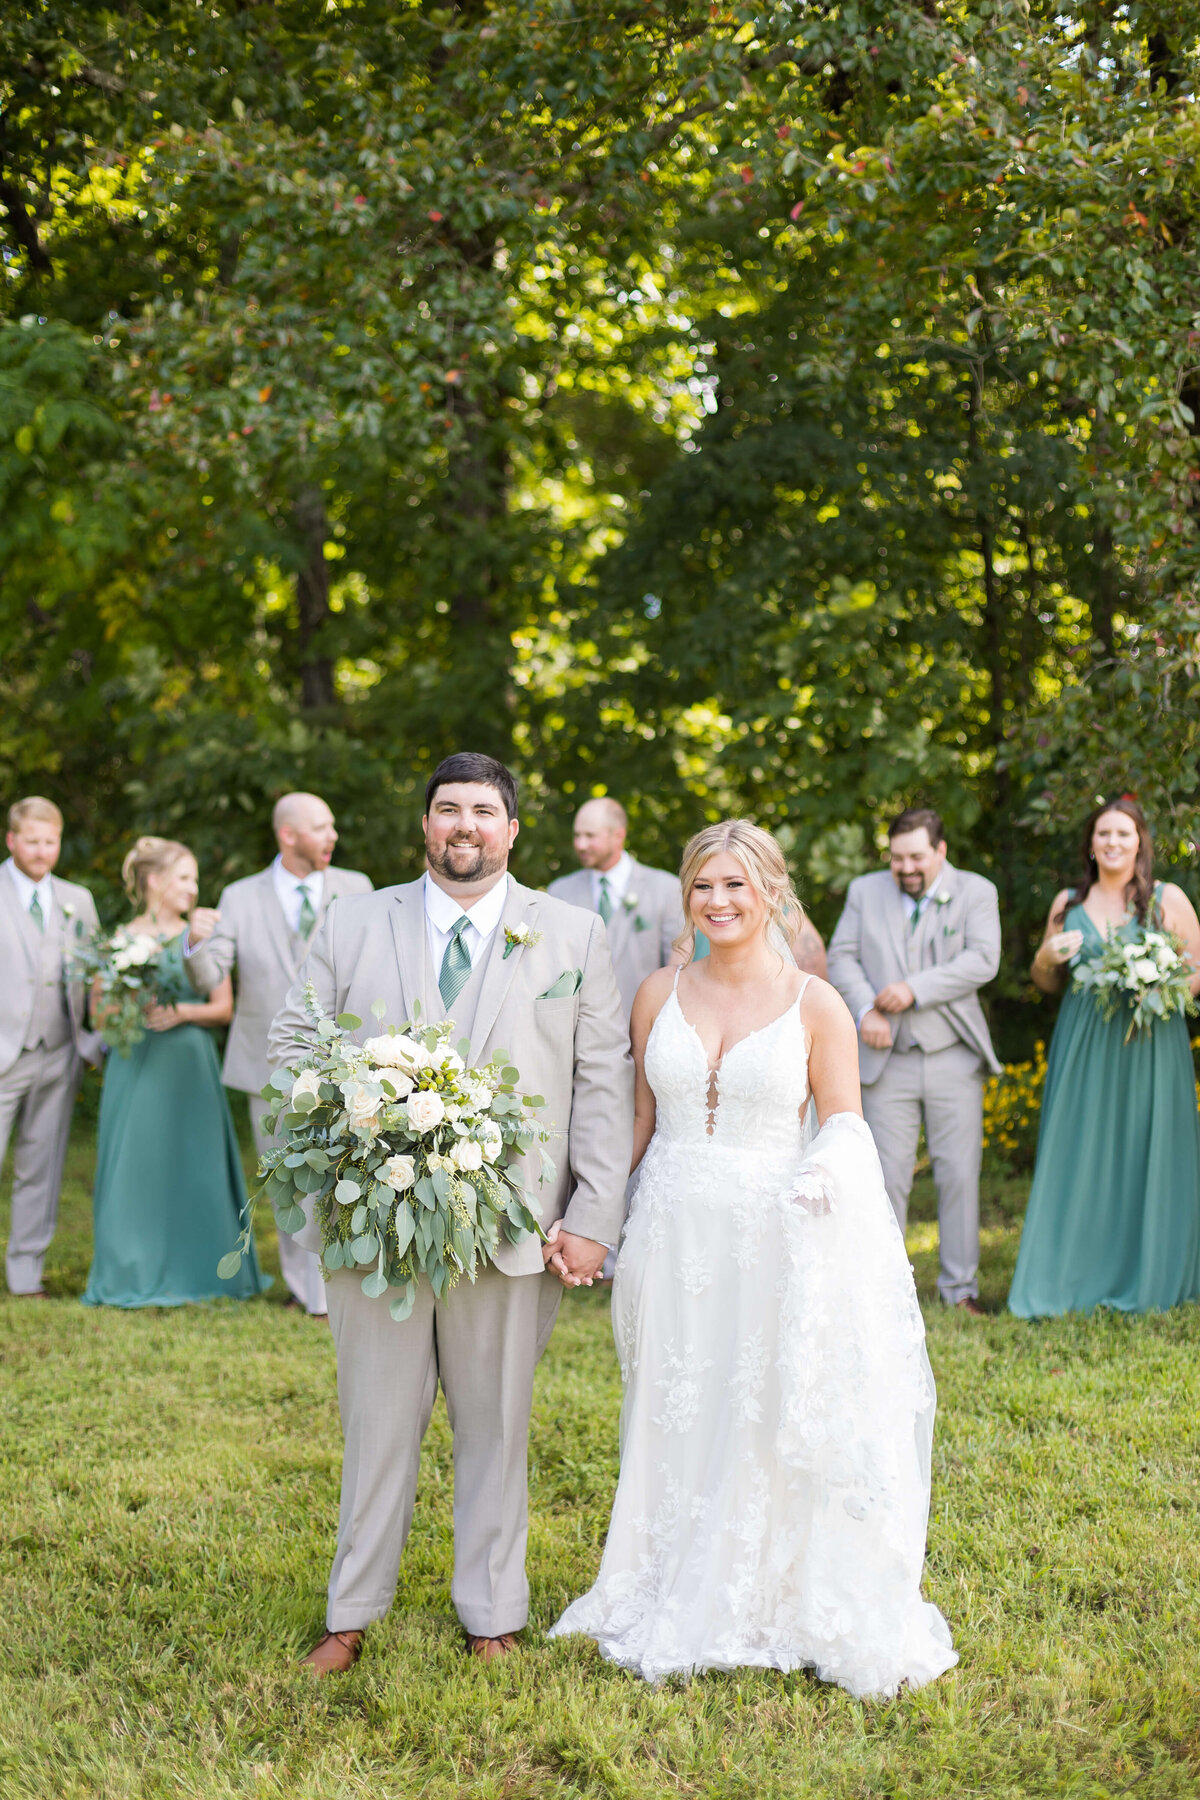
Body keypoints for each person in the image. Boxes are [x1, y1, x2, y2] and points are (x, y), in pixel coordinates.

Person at [549, 820, 956, 1696]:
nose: (719, 901)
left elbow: (846, 1121)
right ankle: (659, 1573)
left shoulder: (815, 1003)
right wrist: (592, 1218)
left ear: (772, 891)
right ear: (686, 898)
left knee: (759, 1406)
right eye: (703, 886)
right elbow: (637, 1124)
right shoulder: (658, 990)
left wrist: (825, 1171)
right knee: (672, 1401)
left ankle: (760, 1588)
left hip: (773, 1228)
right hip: (671, 1228)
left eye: (736, 884)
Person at [268, 752, 633, 1673]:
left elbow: (602, 1082)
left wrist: (595, 1213)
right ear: (423, 827)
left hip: (513, 1229)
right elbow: (293, 1050)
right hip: (374, 1233)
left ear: (513, 831)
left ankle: (492, 1611)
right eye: (446, 809)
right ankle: (350, 1613)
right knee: (376, 1425)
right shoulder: (352, 922)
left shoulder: (576, 934)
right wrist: (343, 1151)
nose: (463, 825)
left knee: (497, 1423)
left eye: (482, 811)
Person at [1009, 797, 1200, 1318]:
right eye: (1103, 834)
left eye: (1123, 833)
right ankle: (1071, 1275)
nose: (1113, 842)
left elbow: (1196, 972)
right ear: (1091, 845)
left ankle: (1152, 1274)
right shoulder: (1067, 902)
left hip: (1150, 1044)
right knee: (1080, 1150)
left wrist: (1156, 978)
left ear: (1140, 842)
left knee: (1148, 1148)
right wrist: (1045, 957)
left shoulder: (1167, 899)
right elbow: (1046, 981)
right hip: (1085, 1043)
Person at [184, 793, 372, 1315]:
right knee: (286, 1181)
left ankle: (345, 1278)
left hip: (344, 1061)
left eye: (333, 825)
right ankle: (305, 1289)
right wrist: (194, 946)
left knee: (344, 1175)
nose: (333, 835)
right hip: (265, 1063)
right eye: (320, 827)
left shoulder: (356, 889)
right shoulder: (240, 896)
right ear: (288, 835)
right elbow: (210, 973)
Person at [83, 837, 270, 1309]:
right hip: (137, 1064)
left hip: (188, 1063)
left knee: (195, 1165)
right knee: (137, 1164)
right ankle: (132, 1270)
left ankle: (207, 1271)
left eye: (194, 880)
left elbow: (222, 1007)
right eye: (185, 878)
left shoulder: (198, 937)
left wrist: (181, 1013)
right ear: (154, 881)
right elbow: (99, 1016)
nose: (193, 889)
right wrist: (129, 1004)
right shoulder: (119, 939)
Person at [827, 807, 1001, 1313]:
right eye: (897, 857)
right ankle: (884, 1293)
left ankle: (959, 1290)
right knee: (885, 1174)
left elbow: (983, 959)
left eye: (916, 857)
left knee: (959, 1173)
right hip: (888, 1060)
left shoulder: (976, 891)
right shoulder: (865, 891)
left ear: (940, 851)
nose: (905, 867)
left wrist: (912, 990)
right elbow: (842, 956)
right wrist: (864, 1011)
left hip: (952, 1055)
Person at [0, 797, 102, 1296]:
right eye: (32, 841)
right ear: (12, 840)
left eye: (50, 841)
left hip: (59, 1052)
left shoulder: (77, 899)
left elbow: (99, 973)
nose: (42, 851)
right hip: (3, 1052)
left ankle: (25, 1275)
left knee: (40, 1169)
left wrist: (95, 1039)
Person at [548, 797, 683, 1016]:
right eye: (577, 835)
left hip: (643, 1022)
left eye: (590, 836)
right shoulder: (560, 891)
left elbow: (678, 969)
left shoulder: (666, 889)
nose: (580, 845)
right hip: (576, 1028)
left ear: (618, 835)